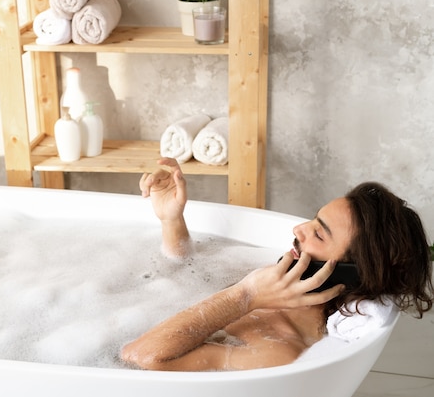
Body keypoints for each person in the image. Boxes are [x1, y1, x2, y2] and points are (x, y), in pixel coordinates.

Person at [121, 157, 434, 371]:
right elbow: (187, 276)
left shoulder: (278, 351)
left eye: (319, 234)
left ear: (352, 273)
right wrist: (171, 221)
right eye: (313, 218)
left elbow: (138, 358)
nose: (299, 229)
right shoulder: (270, 281)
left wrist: (246, 296)